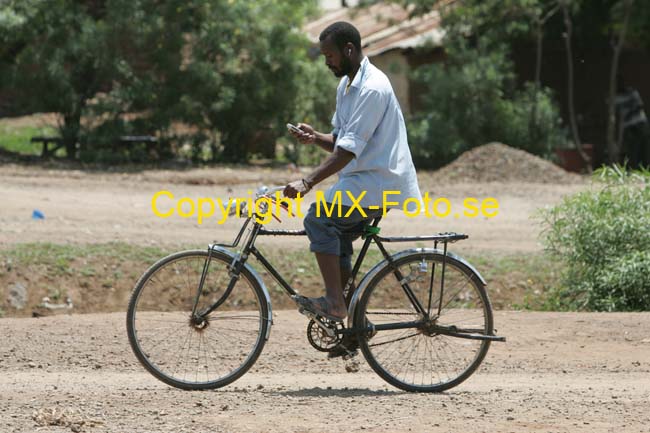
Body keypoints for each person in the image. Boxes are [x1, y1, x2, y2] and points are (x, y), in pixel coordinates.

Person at [283, 22, 422, 354]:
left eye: (330, 55)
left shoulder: (372, 88)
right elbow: (341, 142)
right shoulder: (347, 86)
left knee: (319, 219)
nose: (327, 62)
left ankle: (335, 303)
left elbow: (347, 152)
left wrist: (307, 183)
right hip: (362, 182)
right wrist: (315, 137)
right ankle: (355, 328)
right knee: (336, 238)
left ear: (348, 50)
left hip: (380, 183)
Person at [615, 75, 650, 168]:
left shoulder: (632, 92)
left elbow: (639, 106)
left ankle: (646, 168)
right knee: (632, 149)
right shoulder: (616, 97)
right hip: (629, 127)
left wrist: (628, 113)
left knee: (644, 148)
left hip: (640, 123)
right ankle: (634, 169)